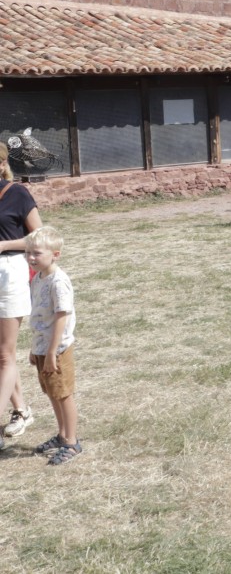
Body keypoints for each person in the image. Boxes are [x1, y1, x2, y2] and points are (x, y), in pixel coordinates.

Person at [23, 226, 80, 464]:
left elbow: (60, 318)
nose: (31, 258)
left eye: (36, 253)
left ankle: (72, 442)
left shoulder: (58, 281)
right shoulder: (38, 278)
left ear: (55, 254)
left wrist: (50, 353)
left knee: (63, 395)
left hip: (56, 350)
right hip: (42, 349)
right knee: (52, 394)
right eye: (28, 253)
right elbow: (39, 316)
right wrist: (36, 349)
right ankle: (62, 434)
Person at [0, 145, 42, 451]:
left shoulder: (18, 193)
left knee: (5, 354)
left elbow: (39, 237)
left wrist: (3, 246)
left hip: (9, 272)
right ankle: (22, 411)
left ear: (2, 164)